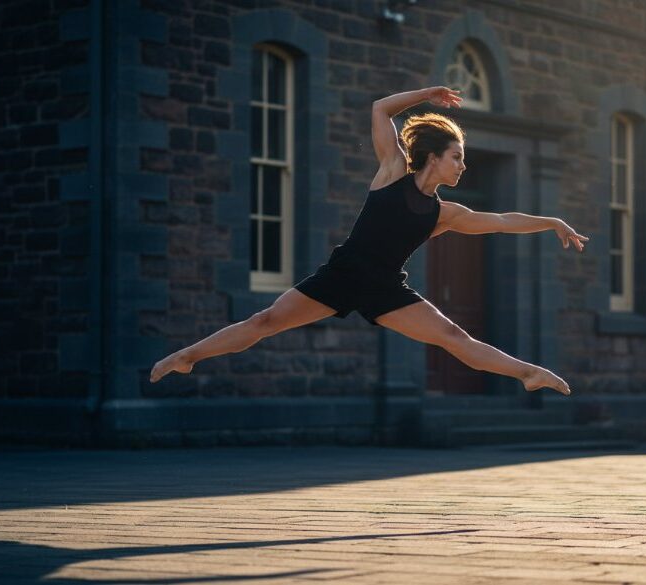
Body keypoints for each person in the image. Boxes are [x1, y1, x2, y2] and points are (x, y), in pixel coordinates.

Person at [150, 86, 588, 395]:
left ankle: (528, 373)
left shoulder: (445, 213)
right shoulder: (392, 172)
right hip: (342, 274)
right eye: (457, 157)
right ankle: (187, 356)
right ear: (433, 157)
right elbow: (381, 110)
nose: (462, 167)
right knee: (265, 322)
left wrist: (551, 221)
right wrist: (427, 93)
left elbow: (502, 220)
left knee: (453, 335)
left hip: (385, 288)